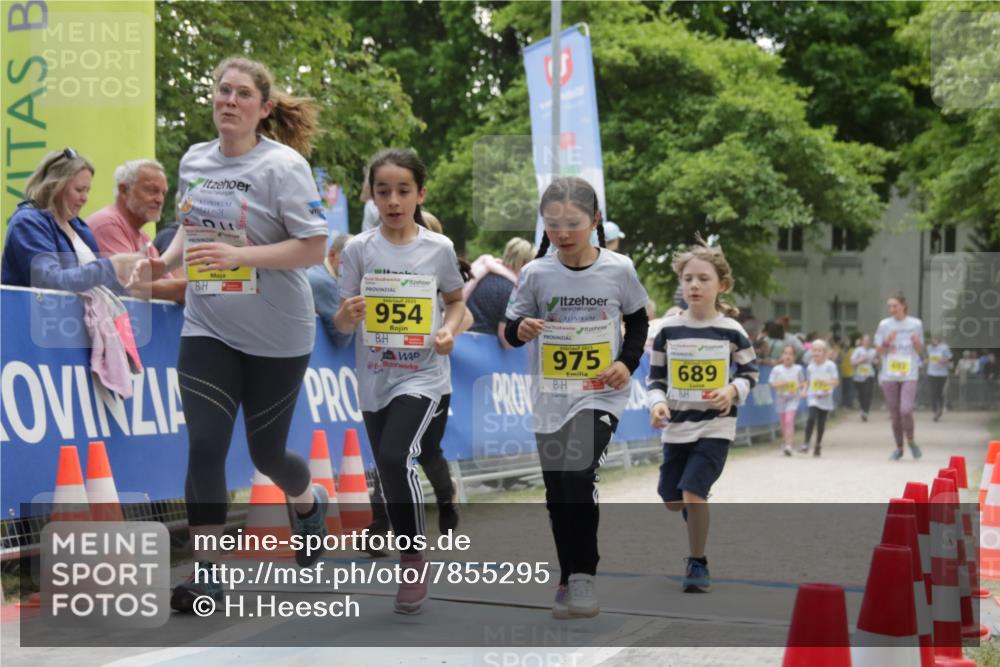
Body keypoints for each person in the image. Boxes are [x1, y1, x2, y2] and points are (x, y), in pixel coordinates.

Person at [139, 58, 332, 612]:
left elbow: (314, 247)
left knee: (267, 453)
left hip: (277, 332)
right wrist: (165, 258)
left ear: (263, 108)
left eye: (242, 93)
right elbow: (191, 227)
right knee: (204, 447)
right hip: (209, 323)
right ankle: (208, 575)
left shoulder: (284, 166)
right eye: (222, 89)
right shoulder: (194, 159)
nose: (228, 100)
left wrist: (239, 255)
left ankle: (307, 498)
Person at [504, 176, 649, 619]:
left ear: (595, 221)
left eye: (573, 223)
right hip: (550, 398)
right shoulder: (535, 273)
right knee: (557, 492)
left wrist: (626, 362)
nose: (563, 233)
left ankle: (584, 574)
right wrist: (520, 329)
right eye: (552, 224)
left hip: (599, 395)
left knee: (577, 473)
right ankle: (568, 576)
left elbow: (639, 322)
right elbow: (510, 329)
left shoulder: (619, 269)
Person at [335, 148, 466, 614]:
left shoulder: (439, 248)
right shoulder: (358, 249)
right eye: (383, 190)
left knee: (396, 456)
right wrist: (348, 315)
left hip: (424, 374)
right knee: (387, 468)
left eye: (403, 191)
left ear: (420, 194)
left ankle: (412, 557)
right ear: (371, 194)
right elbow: (343, 318)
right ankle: (409, 539)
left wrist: (448, 330)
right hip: (375, 377)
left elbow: (456, 300)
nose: (393, 200)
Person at [647, 236, 757, 594]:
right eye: (688, 278)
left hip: (715, 427)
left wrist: (731, 390)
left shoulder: (731, 331)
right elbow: (656, 380)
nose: (694, 285)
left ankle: (698, 564)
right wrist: (657, 404)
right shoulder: (666, 330)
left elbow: (750, 373)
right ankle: (696, 516)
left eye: (703, 278)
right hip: (677, 429)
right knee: (672, 499)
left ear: (721, 285)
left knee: (694, 493)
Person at [2, 149, 141, 292]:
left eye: (87, 191)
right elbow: (48, 281)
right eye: (79, 190)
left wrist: (128, 280)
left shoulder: (79, 227)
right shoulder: (28, 222)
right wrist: (111, 266)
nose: (85, 198)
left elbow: (97, 286)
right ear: (55, 186)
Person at [88, 159, 187, 302]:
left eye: (163, 193)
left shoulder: (143, 237)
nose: (159, 199)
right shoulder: (107, 224)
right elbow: (132, 286)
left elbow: (164, 282)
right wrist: (195, 288)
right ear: (124, 190)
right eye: (152, 190)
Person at [875, 293, 924, 461]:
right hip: (890, 373)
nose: (892, 309)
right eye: (889, 306)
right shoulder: (884, 325)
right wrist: (887, 341)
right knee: (895, 414)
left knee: (906, 410)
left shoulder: (916, 324)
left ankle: (910, 440)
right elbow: (879, 351)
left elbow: (919, 350)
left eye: (895, 306)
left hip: (909, 372)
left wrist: (916, 342)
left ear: (903, 305)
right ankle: (899, 447)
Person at [465, 237, 534, 347]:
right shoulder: (512, 291)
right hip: (487, 352)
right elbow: (506, 340)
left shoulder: (481, 275)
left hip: (461, 343)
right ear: (525, 264)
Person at [307, 233, 354, 347]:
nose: (356, 267)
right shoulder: (324, 282)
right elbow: (341, 339)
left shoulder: (318, 270)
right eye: (350, 261)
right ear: (332, 254)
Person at [801, 339, 839, 457]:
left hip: (825, 397)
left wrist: (826, 382)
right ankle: (806, 443)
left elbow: (836, 381)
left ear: (825, 352)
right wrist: (803, 390)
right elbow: (807, 381)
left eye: (819, 350)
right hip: (813, 395)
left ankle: (818, 444)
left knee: (821, 423)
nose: (816, 353)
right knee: (811, 418)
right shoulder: (810, 367)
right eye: (814, 350)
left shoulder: (830, 366)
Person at [769, 345, 805, 456]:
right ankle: (786, 441)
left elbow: (803, 382)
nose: (788, 356)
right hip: (780, 398)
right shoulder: (777, 369)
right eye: (785, 353)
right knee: (783, 423)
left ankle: (789, 445)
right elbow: (771, 384)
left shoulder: (798, 369)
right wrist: (781, 384)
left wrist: (802, 389)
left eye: (790, 354)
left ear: (794, 357)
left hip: (793, 398)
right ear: (781, 356)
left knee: (789, 420)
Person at [850, 334, 877, 421]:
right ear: (862, 341)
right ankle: (862, 409)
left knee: (868, 393)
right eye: (865, 340)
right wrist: (861, 359)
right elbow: (852, 362)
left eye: (868, 340)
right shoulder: (857, 350)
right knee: (861, 394)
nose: (867, 342)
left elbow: (876, 361)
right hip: (859, 375)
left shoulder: (873, 351)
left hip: (869, 374)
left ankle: (866, 412)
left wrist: (876, 362)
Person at [925, 335, 952, 421]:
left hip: (942, 374)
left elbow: (949, 358)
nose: (933, 342)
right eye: (932, 340)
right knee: (933, 392)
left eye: (935, 340)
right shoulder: (929, 348)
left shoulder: (944, 347)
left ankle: (940, 409)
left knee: (939, 392)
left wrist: (944, 360)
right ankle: (935, 410)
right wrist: (927, 360)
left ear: (938, 340)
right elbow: (928, 357)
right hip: (931, 373)